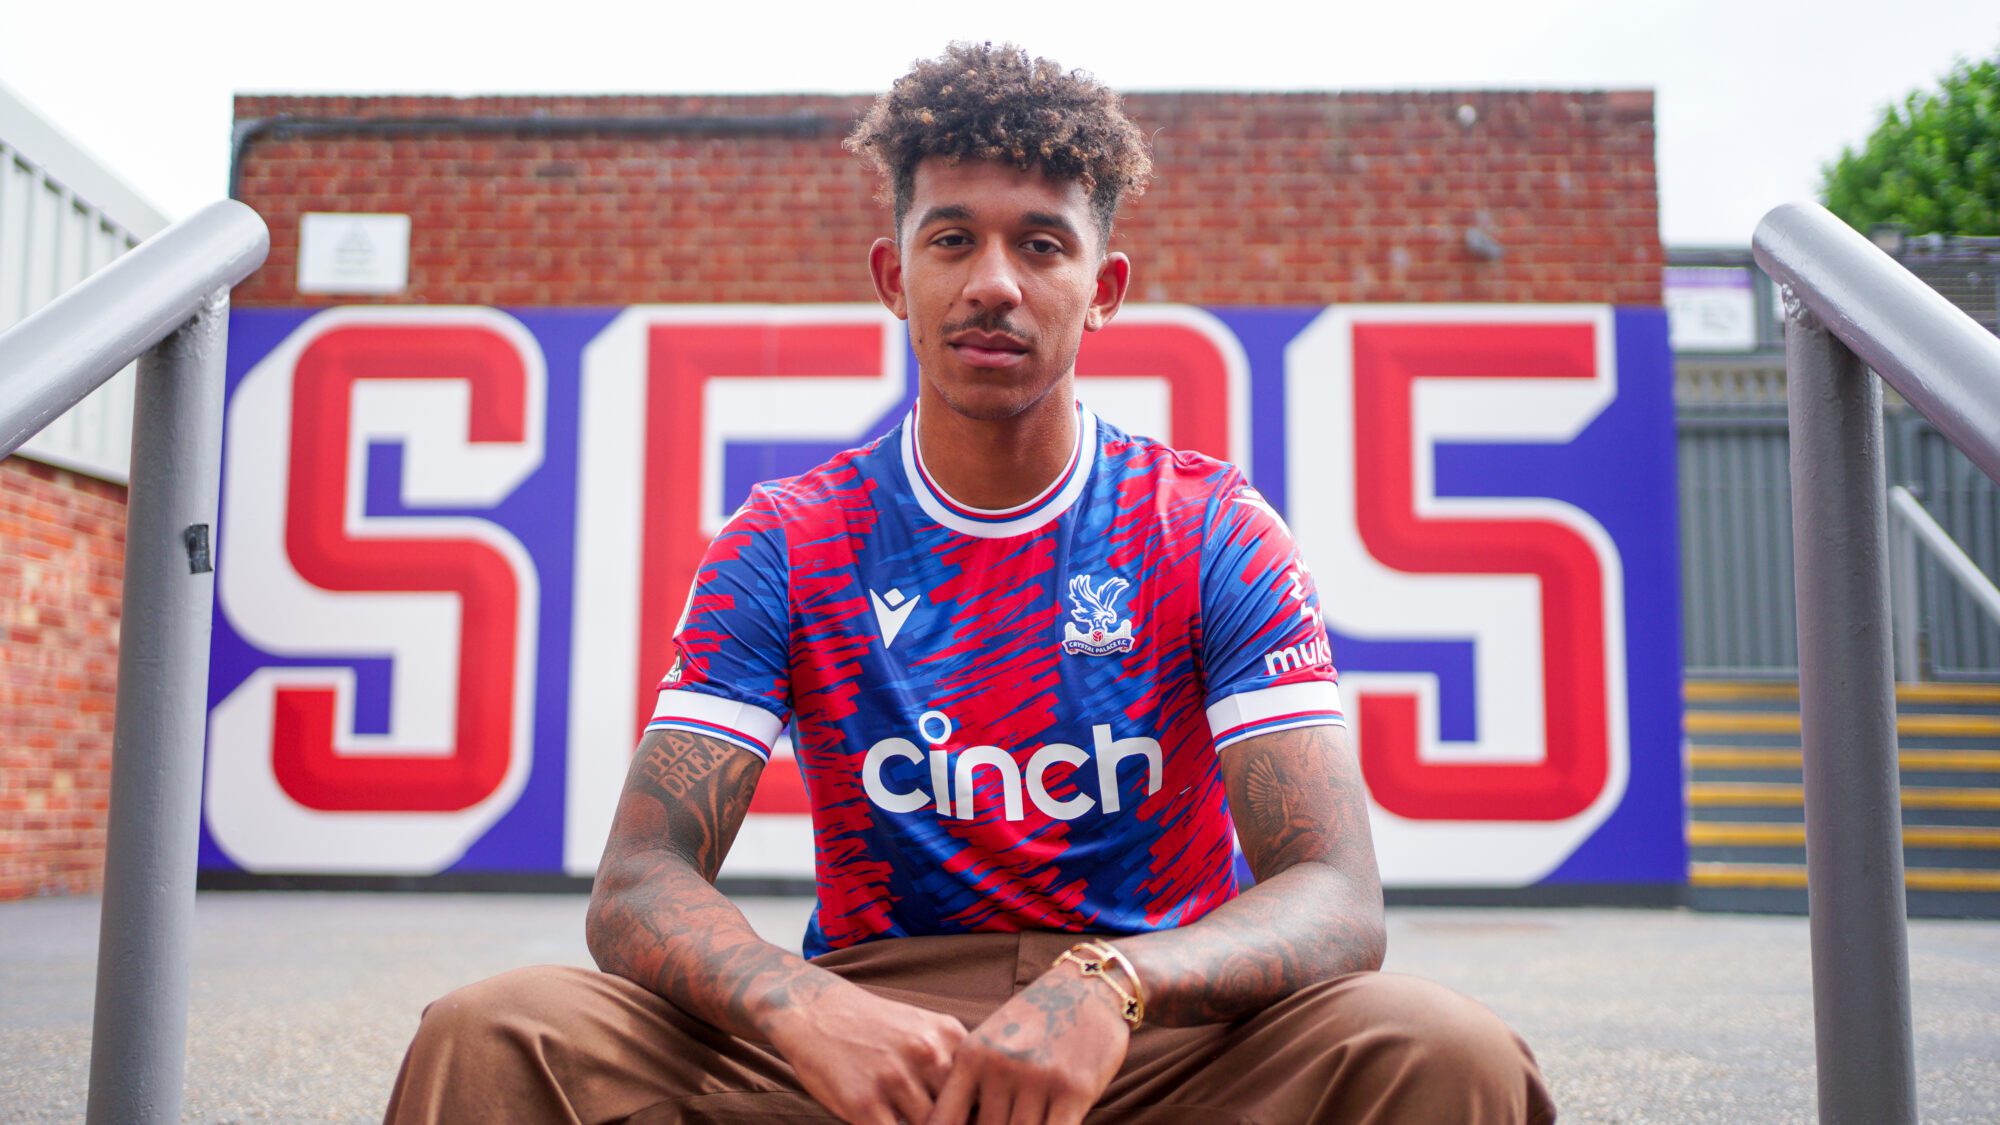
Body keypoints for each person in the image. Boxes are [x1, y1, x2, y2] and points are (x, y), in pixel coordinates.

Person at [386, 42, 1556, 1125]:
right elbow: (639, 881)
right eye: (952, 241)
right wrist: (797, 1002)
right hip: (867, 1036)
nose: (993, 282)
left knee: (1441, 1048)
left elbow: (1335, 893)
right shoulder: (786, 538)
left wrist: (1112, 983)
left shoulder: (1209, 529)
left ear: (1104, 288)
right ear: (894, 276)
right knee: (498, 1032)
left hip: (1150, 1036)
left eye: (1040, 245)